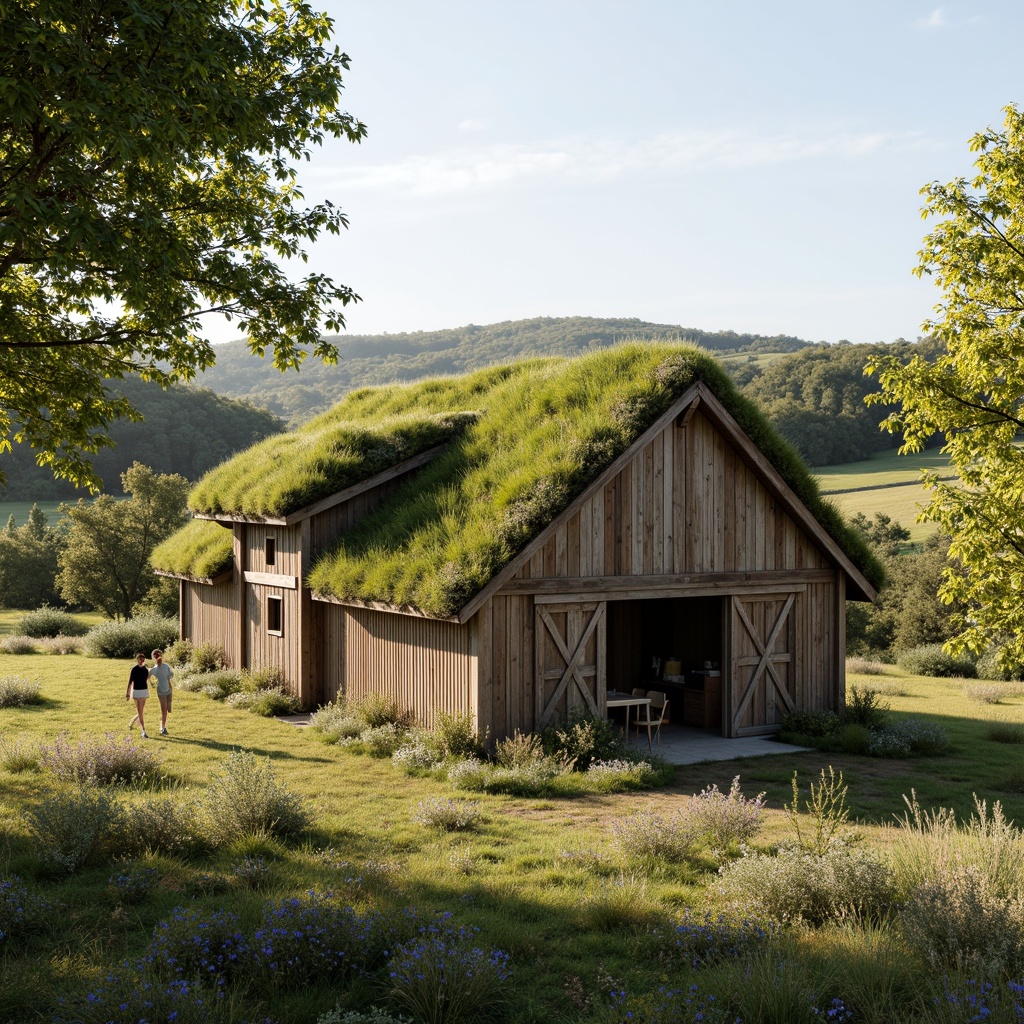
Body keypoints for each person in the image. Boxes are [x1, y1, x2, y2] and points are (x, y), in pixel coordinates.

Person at [149, 648, 174, 736]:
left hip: (168, 690)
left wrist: (171, 688)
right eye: (156, 656)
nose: (158, 659)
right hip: (161, 692)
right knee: (164, 710)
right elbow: (148, 677)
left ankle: (163, 726)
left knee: (168, 709)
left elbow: (169, 677)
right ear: (154, 659)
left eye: (159, 656)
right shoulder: (153, 670)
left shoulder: (166, 666)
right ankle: (162, 728)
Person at [126, 652, 150, 738]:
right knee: (140, 712)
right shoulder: (134, 669)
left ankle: (132, 723)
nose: (142, 660)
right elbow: (130, 682)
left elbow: (147, 679)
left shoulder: (145, 670)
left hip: (144, 691)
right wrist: (128, 694)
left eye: (143, 659)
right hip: (137, 691)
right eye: (140, 659)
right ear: (137, 659)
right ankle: (143, 730)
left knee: (140, 712)